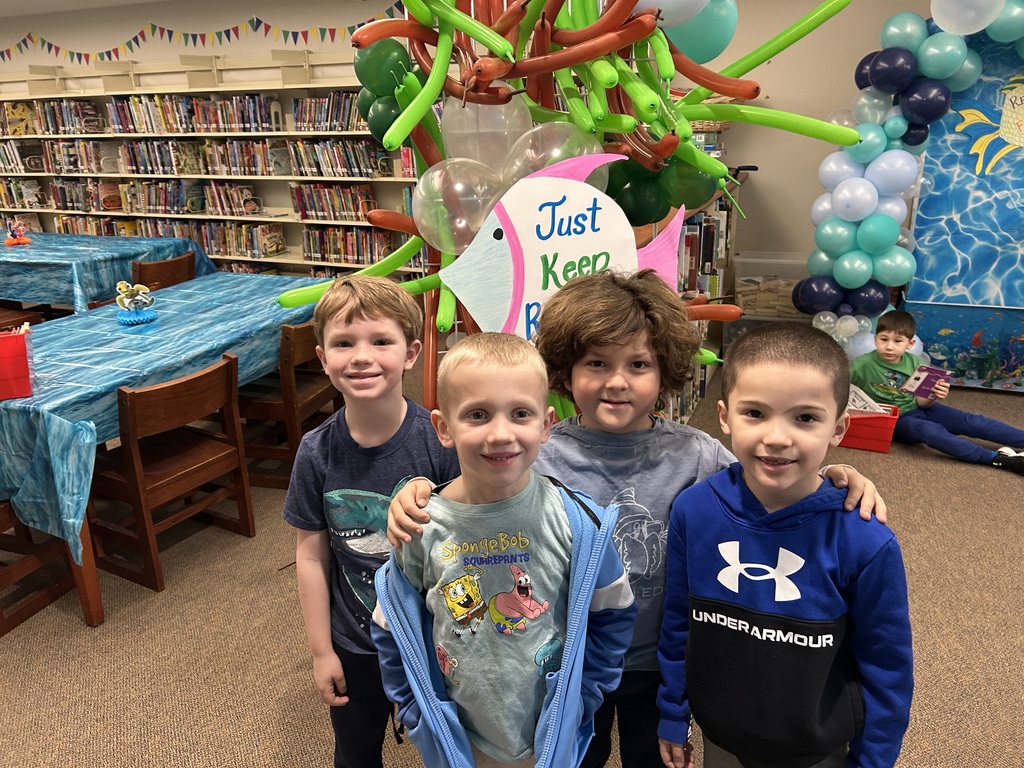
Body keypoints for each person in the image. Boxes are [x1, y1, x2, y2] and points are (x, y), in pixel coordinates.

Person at [388, 269, 887, 768]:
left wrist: (838, 473)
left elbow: (772, 479)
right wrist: (412, 492)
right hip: (567, 664)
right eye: (597, 362)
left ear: (665, 368)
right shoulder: (538, 450)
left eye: (639, 364)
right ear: (565, 368)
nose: (618, 381)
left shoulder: (699, 455)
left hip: (662, 665)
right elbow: (467, 494)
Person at [370, 332, 637, 768]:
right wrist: (416, 713)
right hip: (458, 734)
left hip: (553, 727)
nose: (500, 434)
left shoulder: (578, 522)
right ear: (444, 428)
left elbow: (614, 611)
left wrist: (586, 694)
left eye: (520, 414)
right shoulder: (419, 526)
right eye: (477, 414)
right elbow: (391, 626)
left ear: (546, 424)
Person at [657, 322, 913, 768]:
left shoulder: (865, 539)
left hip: (816, 746)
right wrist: (673, 711)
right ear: (723, 416)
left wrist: (875, 760)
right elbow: (678, 622)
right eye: (755, 413)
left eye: (806, 418)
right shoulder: (693, 511)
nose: (777, 437)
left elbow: (887, 666)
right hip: (723, 733)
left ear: (839, 427)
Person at [282, 275, 460, 768]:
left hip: (434, 636)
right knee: (356, 753)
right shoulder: (315, 453)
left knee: (451, 748)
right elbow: (311, 556)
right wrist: (322, 652)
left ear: (411, 353)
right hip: (355, 642)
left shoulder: (439, 441)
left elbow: (467, 542)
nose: (361, 356)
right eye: (343, 343)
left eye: (380, 340)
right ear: (322, 358)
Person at [849, 309, 1024, 474]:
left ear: (910, 344)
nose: (889, 346)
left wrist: (934, 395)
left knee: (972, 421)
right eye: (883, 339)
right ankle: (996, 459)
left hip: (920, 409)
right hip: (897, 420)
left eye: (897, 341)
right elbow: (841, 392)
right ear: (875, 339)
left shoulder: (916, 364)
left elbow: (921, 402)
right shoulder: (862, 365)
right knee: (931, 431)